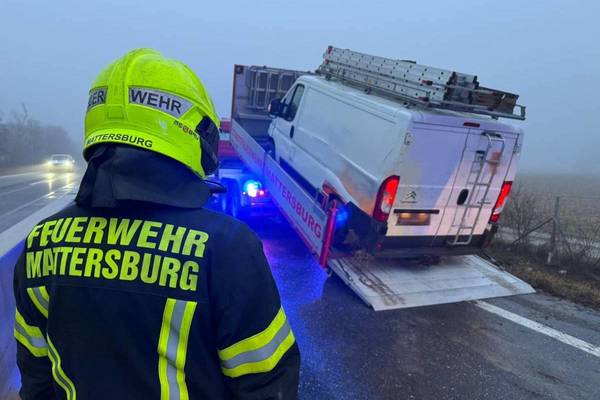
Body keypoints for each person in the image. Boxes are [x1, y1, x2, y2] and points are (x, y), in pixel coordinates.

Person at [13, 48, 300, 400]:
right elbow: (268, 383)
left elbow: (37, 379)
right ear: (194, 131)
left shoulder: (42, 243)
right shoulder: (227, 248)